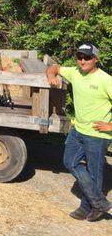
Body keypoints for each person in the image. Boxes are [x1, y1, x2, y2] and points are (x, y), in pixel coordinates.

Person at [46, 43, 111, 221]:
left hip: (97, 135)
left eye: (87, 57)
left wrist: (111, 126)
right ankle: (100, 202)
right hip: (78, 130)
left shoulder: (106, 80)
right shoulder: (75, 72)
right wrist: (51, 75)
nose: (82, 61)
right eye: (80, 56)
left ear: (96, 59)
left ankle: (87, 207)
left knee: (94, 172)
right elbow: (54, 67)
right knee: (69, 162)